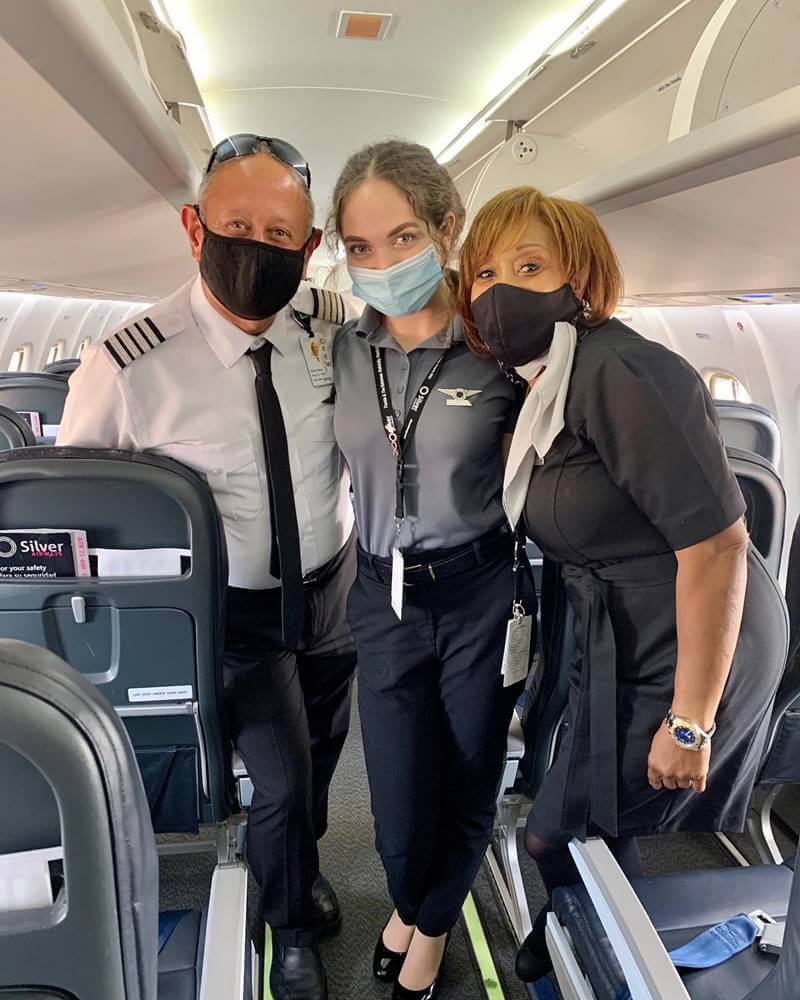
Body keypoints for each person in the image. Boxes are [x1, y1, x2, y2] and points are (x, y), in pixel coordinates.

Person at [456, 185, 787, 983]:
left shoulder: (628, 370)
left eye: (531, 265)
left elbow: (716, 549)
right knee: (594, 812)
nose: (502, 289)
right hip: (623, 631)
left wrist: (692, 722)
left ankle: (609, 949)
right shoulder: (550, 377)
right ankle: (602, 936)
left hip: (694, 642)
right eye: (485, 271)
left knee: (555, 832)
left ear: (582, 275)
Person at [57, 134, 361, 1000]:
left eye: (280, 234)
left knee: (327, 747)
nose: (257, 247)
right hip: (228, 610)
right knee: (284, 773)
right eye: (237, 224)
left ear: (308, 250)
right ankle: (290, 927)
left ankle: (293, 865)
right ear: (195, 228)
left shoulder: (335, 332)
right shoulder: (127, 364)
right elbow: (83, 511)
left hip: (331, 584)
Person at [329, 140, 535, 1000]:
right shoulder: (336, 351)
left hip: (481, 590)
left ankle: (429, 923)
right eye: (361, 248)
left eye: (403, 237)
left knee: (470, 771)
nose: (381, 264)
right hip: (380, 591)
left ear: (448, 229)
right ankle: (414, 894)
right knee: (398, 790)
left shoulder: (500, 350)